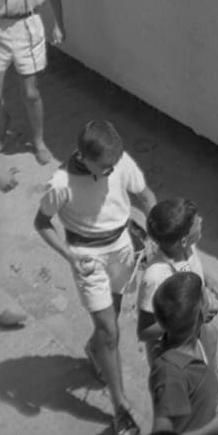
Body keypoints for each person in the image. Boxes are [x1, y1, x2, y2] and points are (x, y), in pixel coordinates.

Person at [35, 120, 158, 435]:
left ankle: (94, 350)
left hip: (122, 250)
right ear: (83, 156)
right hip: (87, 259)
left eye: (114, 164)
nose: (111, 171)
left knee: (112, 319)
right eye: (104, 167)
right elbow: (42, 223)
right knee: (109, 331)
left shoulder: (119, 163)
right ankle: (120, 407)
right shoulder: (60, 183)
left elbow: (146, 197)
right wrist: (69, 255)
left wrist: (155, 234)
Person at [137, 198, 218, 394]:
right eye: (196, 222)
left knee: (211, 336)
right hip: (174, 354)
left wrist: (209, 280)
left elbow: (191, 268)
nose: (202, 220)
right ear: (183, 239)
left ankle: (211, 380)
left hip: (196, 335)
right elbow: (145, 332)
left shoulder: (187, 249)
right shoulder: (156, 277)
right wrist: (194, 316)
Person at [0, 0, 62, 164]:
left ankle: (38, 141)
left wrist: (59, 24)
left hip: (27, 29)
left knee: (31, 92)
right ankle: (3, 126)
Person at [146, 272, 218, 435]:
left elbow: (207, 369)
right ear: (201, 314)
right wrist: (212, 428)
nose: (211, 299)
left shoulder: (200, 338)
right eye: (206, 295)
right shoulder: (170, 374)